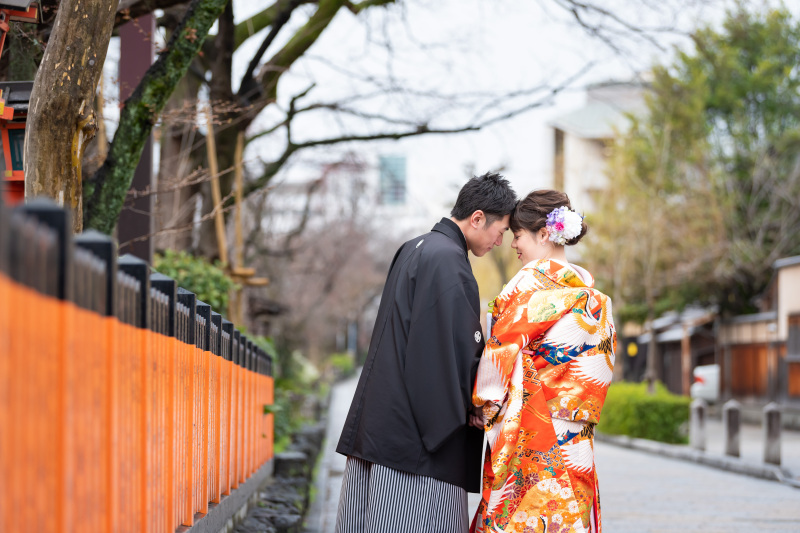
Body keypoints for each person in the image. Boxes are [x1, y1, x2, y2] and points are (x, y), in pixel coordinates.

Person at [335, 172, 517, 533]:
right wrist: (476, 402)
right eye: (501, 230)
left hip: (383, 419)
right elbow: (451, 349)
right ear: (477, 217)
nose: (500, 241)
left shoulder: (415, 247)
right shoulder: (450, 262)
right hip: (414, 442)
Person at [471, 190, 616, 533]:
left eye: (518, 235)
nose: (513, 245)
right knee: (569, 519)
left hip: (531, 428)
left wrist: (484, 405)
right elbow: (599, 369)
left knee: (523, 515)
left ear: (545, 233)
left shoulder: (529, 284)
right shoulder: (595, 299)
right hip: (575, 434)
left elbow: (502, 349)